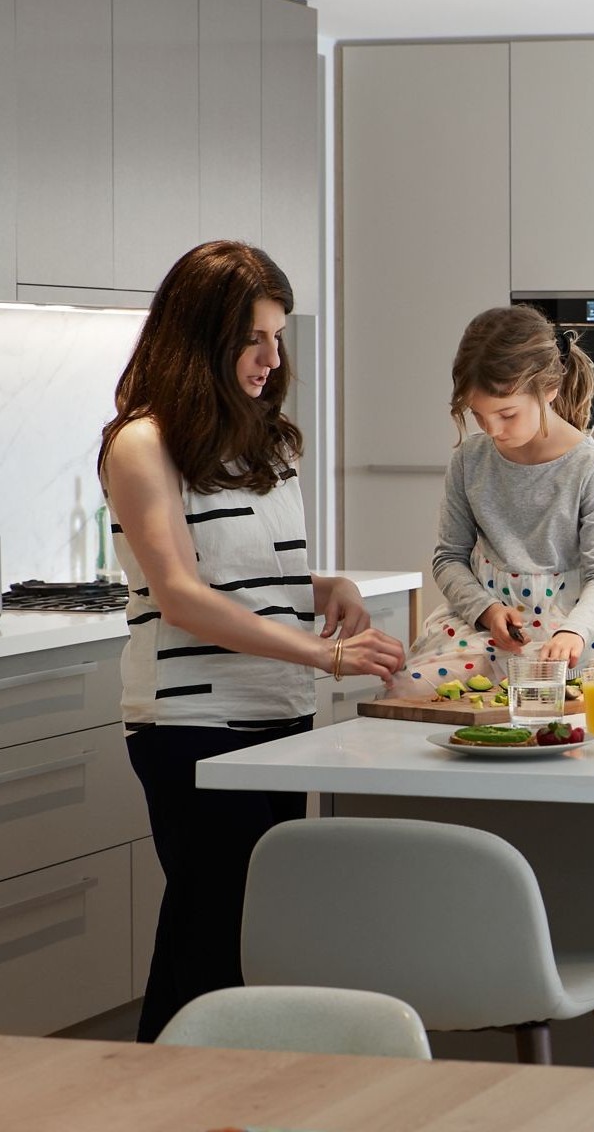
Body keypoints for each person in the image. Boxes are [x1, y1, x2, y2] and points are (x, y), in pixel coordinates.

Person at [97, 240, 405, 1041]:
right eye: (254, 338)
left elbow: (239, 574)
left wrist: (321, 587)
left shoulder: (265, 443)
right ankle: (156, 1102)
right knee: (212, 935)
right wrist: (320, 653)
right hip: (190, 723)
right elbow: (183, 597)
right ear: (201, 335)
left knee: (247, 939)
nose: (273, 357)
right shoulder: (141, 443)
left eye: (277, 335)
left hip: (275, 712)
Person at [396, 303, 594, 694]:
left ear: (549, 389)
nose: (492, 429)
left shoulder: (592, 467)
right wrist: (485, 610)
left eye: (506, 414)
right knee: (404, 691)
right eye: (479, 415)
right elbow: (448, 557)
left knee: (539, 711)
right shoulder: (469, 460)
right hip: (479, 624)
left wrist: (574, 632)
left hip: (566, 637)